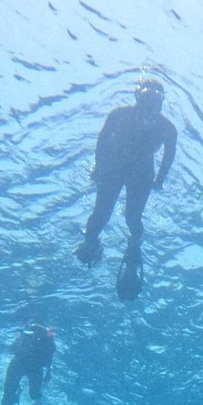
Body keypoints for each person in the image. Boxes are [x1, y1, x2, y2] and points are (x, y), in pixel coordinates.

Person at [74, 76, 178, 301]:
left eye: (155, 97)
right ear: (137, 95)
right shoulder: (120, 115)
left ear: (161, 102)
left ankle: (132, 245)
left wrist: (159, 180)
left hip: (138, 174)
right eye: (146, 95)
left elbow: (168, 158)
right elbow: (102, 142)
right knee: (101, 214)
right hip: (115, 168)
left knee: (132, 218)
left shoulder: (167, 128)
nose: (149, 102)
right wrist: (99, 167)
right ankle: (94, 242)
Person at [1, 323, 56, 405]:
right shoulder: (39, 336)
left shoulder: (40, 337)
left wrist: (48, 372)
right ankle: (19, 392)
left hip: (28, 367)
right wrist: (48, 372)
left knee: (34, 395)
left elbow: (11, 348)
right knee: (8, 402)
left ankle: (31, 400)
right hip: (23, 365)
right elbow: (50, 356)